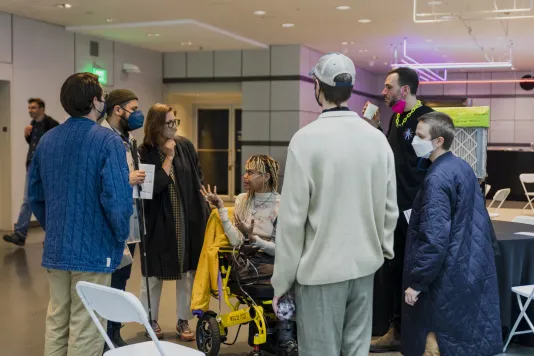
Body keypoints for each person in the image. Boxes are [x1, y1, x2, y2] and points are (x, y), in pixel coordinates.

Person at [271, 53, 399, 356]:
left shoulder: (305, 141)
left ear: (317, 86)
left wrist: (282, 281)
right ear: (352, 89)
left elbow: (291, 221)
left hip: (320, 273)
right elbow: (389, 208)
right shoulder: (377, 140)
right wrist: (381, 250)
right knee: (356, 350)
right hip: (365, 269)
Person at [28, 73, 133, 356]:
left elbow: (35, 195)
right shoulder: (107, 142)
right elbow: (118, 199)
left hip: (57, 247)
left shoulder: (48, 140)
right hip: (95, 250)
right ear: (96, 102)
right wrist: (119, 234)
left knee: (57, 319)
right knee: (87, 325)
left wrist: (55, 226)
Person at [402, 112, 502, 356]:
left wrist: (418, 282)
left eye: (420, 135)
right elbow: (481, 219)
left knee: (435, 342)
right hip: (467, 267)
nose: (414, 139)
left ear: (438, 141)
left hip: (443, 275)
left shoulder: (437, 178)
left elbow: (434, 238)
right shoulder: (462, 166)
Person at [363, 67, 434, 353]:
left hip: (418, 210)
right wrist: (377, 128)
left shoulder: (427, 119)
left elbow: (430, 162)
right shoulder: (397, 117)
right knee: (394, 269)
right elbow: (391, 156)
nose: (384, 92)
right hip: (394, 208)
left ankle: (421, 333)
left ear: (404, 90)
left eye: (388, 87)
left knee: (416, 271)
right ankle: (397, 329)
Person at [201, 154, 298, 355]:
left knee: (288, 274)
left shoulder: (282, 204)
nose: (245, 176)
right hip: (246, 261)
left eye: (251, 172)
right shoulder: (242, 200)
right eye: (245, 171)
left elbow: (281, 248)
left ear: (267, 177)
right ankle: (284, 338)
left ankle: (285, 336)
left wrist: (256, 240)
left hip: (272, 258)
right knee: (284, 278)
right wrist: (220, 208)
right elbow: (236, 240)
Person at [138, 103, 209, 341]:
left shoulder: (185, 146)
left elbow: (197, 178)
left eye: (174, 122)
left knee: (187, 274)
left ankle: (183, 320)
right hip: (158, 221)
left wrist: (206, 209)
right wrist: (168, 157)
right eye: (169, 123)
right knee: (153, 276)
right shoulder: (144, 151)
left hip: (186, 221)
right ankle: (150, 319)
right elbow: (152, 188)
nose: (173, 127)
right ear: (156, 124)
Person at [99, 89, 145, 348]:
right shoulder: (102, 138)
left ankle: (114, 331)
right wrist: (126, 180)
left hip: (130, 220)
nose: (137, 114)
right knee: (109, 280)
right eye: (133, 108)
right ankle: (104, 334)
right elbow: (100, 181)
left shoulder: (128, 140)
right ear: (118, 110)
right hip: (108, 222)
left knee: (123, 278)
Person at [3, 98, 59, 247]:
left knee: (49, 201)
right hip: (32, 167)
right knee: (28, 200)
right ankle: (20, 234)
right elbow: (34, 146)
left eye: (33, 107)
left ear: (42, 109)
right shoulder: (32, 125)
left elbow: (55, 146)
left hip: (47, 168)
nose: (30, 110)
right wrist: (27, 136)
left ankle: (52, 236)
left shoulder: (52, 125)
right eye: (29, 107)